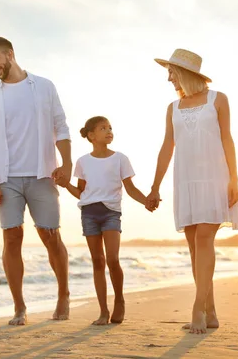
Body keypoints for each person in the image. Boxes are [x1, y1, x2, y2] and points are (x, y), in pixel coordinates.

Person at [146, 49, 238, 334]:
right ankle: (211, 312)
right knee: (193, 247)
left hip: (214, 178)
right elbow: (167, 147)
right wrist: (155, 185)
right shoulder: (172, 108)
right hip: (186, 180)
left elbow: (227, 138)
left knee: (203, 239)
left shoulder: (218, 99)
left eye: (171, 72)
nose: (168, 78)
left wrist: (234, 178)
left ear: (185, 73)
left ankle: (197, 309)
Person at [0, 36, 72, 325]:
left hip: (42, 174)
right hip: (6, 178)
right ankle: (19, 307)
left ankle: (63, 294)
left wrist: (66, 164)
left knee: (50, 235)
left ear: (10, 54)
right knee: (12, 236)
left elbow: (61, 127)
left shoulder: (44, 86)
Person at [61, 116, 153, 325]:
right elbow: (81, 192)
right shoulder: (83, 162)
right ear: (92, 136)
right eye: (103, 128)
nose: (109, 131)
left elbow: (130, 188)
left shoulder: (120, 158)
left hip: (111, 212)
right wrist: (66, 185)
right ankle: (103, 310)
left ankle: (119, 300)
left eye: (110, 127)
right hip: (89, 213)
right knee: (97, 261)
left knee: (112, 258)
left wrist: (146, 201)